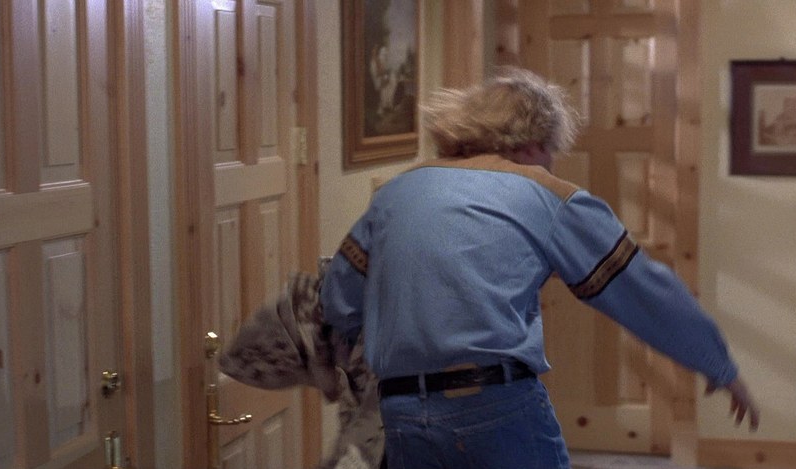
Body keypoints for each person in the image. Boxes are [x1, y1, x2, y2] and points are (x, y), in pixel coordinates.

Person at [320, 67, 759, 469]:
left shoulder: (397, 193)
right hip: (493, 407)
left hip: (402, 414)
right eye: (551, 150)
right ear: (531, 142)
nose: (551, 163)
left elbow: (339, 302)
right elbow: (643, 291)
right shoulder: (546, 196)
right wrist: (719, 365)